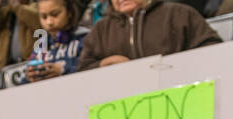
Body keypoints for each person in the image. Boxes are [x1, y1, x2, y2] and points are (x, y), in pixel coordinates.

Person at [77, 0, 221, 70]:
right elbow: (82, 70)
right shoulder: (100, 30)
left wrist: (177, 66)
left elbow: (213, 49)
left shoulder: (179, 14)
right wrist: (103, 64)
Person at [16, 0, 87, 83]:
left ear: (69, 12)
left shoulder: (85, 38)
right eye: (44, 17)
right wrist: (29, 78)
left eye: (55, 14)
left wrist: (63, 70)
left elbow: (93, 69)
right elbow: (24, 81)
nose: (49, 22)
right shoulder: (41, 46)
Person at [0, 0, 41, 87]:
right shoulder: (1, 11)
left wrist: (17, 7)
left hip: (30, 67)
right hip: (3, 71)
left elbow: (41, 25)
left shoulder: (36, 7)